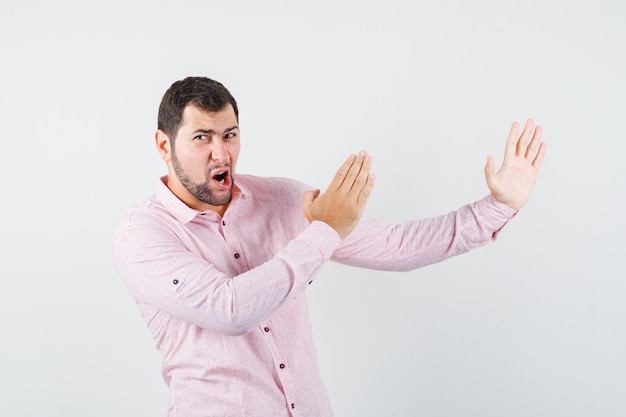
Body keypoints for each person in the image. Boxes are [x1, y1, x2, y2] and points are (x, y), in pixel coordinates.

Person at [112, 76, 546, 417]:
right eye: (202, 138)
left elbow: (396, 245)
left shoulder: (282, 199)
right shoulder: (143, 236)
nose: (221, 153)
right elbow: (229, 310)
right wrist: (325, 231)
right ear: (163, 145)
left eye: (230, 134)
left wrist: (498, 206)